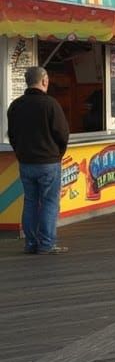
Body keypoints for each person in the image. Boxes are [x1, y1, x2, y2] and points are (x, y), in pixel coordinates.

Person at [7, 65, 70, 254]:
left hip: (26, 163)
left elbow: (12, 135)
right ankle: (46, 244)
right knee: (49, 203)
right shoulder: (50, 104)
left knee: (30, 202)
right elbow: (62, 134)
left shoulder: (16, 106)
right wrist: (57, 154)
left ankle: (31, 243)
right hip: (48, 162)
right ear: (44, 81)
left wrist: (21, 153)